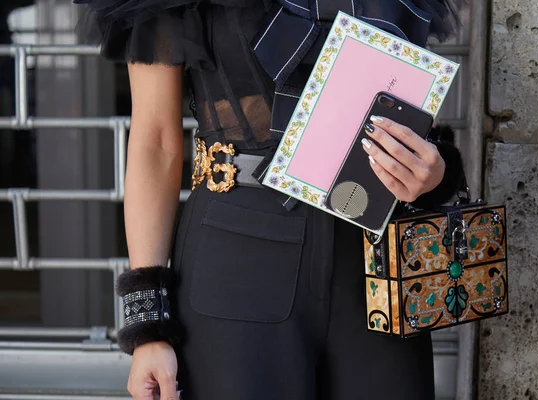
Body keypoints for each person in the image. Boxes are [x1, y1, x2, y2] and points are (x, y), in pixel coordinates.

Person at [74, 0, 465, 399]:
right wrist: (148, 328)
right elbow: (155, 141)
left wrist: (433, 173)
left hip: (376, 255)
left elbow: (405, 109)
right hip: (238, 252)